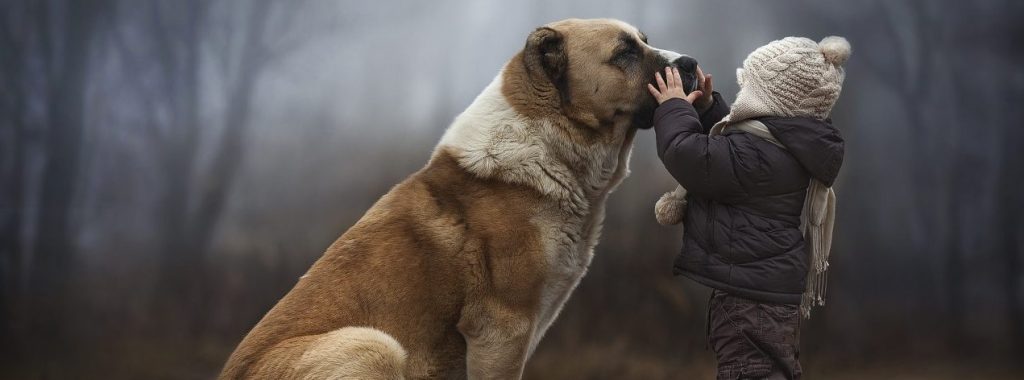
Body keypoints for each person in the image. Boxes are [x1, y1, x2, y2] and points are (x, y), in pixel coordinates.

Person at [646, 36, 851, 379]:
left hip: (748, 303)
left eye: (749, 87)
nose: (743, 97)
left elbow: (689, 154)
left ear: (768, 100)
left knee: (751, 373)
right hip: (764, 296)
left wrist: (673, 107)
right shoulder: (782, 147)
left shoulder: (758, 158)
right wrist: (709, 108)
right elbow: (737, 147)